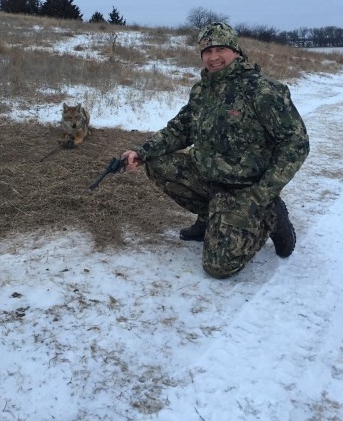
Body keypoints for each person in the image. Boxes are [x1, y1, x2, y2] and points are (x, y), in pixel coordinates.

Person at [122, 22, 310, 279]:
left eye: (220, 49)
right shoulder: (202, 90)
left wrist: (262, 193)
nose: (213, 57)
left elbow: (295, 143)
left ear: (235, 51)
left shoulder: (263, 90)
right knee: (158, 163)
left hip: (245, 189)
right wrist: (142, 152)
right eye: (207, 51)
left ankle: (271, 215)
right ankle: (211, 216)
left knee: (218, 267)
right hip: (208, 177)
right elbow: (180, 129)